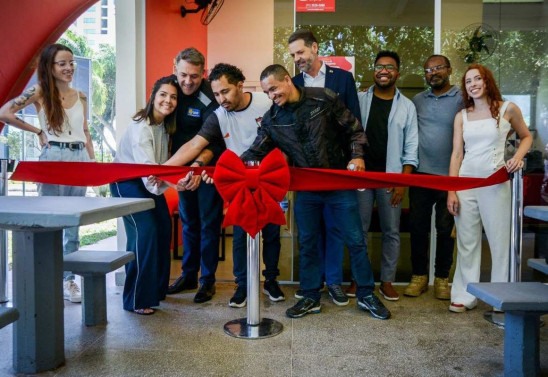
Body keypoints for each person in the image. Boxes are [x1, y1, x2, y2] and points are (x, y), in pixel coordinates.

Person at [241, 64, 390, 320]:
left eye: (274, 89)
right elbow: (255, 151)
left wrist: (357, 157)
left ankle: (366, 294)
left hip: (338, 185)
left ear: (287, 80)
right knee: (307, 243)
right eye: (267, 93)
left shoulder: (324, 98)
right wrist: (224, 170)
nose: (271, 96)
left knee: (355, 240)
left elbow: (354, 130)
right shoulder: (272, 119)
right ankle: (310, 296)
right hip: (306, 190)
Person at [165, 63, 285, 308]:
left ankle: (271, 280)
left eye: (226, 92)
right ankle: (241, 285)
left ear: (240, 86)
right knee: (240, 235)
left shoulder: (266, 102)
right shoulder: (219, 115)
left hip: (269, 179)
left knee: (271, 232)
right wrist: (163, 169)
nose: (221, 99)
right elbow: (195, 145)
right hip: (242, 183)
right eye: (217, 94)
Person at [0, 43, 95, 304]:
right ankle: (47, 277)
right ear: (50, 67)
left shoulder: (82, 96)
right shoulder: (41, 92)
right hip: (52, 157)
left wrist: (93, 161)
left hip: (79, 159)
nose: (69, 68)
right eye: (62, 63)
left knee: (73, 223)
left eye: (71, 62)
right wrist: (37, 131)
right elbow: (5, 112)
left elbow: (85, 131)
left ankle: (69, 281)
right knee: (51, 220)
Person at [447, 64, 532, 312]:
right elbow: (456, 154)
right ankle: (465, 295)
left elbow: (526, 136)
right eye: (468, 81)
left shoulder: (508, 109)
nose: (473, 84)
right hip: (465, 183)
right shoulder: (461, 116)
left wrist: (517, 156)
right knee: (467, 242)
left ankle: (500, 297)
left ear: (487, 81)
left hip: (495, 182)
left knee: (499, 241)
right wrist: (451, 190)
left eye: (478, 79)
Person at [288, 29, 361, 305]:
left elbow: (353, 120)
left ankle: (333, 282)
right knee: (309, 231)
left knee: (335, 229)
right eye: (294, 55)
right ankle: (311, 284)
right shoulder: (292, 83)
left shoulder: (342, 79)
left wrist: (356, 156)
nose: (298, 59)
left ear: (314, 48)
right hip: (305, 172)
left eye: (301, 53)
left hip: (336, 169)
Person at [110, 76, 177, 315]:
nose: (168, 101)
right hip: (125, 182)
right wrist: (176, 184)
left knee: (163, 228)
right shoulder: (141, 129)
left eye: (173, 97)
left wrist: (168, 181)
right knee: (145, 232)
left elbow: (155, 174)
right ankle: (137, 298)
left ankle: (156, 291)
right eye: (163, 95)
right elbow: (149, 174)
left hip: (147, 182)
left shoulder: (164, 126)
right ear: (153, 96)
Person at [357, 50, 418, 302]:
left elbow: (411, 148)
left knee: (391, 231)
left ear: (397, 73)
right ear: (374, 70)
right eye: (379, 66)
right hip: (360, 179)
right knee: (358, 230)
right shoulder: (360, 99)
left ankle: (387, 281)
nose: (384, 70)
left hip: (391, 180)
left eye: (390, 67)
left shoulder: (407, 106)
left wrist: (402, 183)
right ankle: (359, 280)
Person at [166, 48, 224, 304]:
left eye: (195, 76)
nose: (188, 81)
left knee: (209, 224)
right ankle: (188, 275)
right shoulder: (168, 89)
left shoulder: (213, 96)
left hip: (207, 169)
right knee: (188, 224)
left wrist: (200, 167)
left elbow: (218, 137)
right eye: (183, 75)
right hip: (181, 170)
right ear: (175, 67)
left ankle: (207, 280)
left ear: (204, 73)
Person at [404, 55, 464, 300]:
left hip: (450, 177)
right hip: (421, 175)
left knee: (444, 228)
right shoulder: (418, 100)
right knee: (417, 228)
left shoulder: (462, 98)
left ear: (449, 70)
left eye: (438, 68)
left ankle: (442, 279)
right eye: (428, 69)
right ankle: (419, 277)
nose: (433, 73)